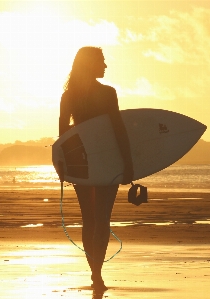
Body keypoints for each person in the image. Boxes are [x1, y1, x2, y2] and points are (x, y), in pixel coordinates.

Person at [59, 46, 134, 293]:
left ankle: (95, 272)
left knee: (89, 220)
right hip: (108, 162)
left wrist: (64, 167)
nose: (105, 66)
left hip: (83, 164)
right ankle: (97, 273)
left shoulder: (69, 96)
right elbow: (118, 130)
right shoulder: (107, 93)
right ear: (90, 64)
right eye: (101, 61)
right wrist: (128, 163)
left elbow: (63, 137)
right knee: (102, 219)